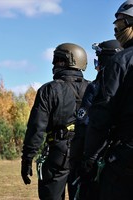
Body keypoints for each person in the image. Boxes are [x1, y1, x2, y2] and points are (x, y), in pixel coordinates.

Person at [21, 43, 89, 200]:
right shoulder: (93, 88)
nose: (53, 64)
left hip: (58, 153)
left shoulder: (49, 90)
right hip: (85, 153)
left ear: (68, 62)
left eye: (57, 59)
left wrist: (27, 157)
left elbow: (36, 127)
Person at [80, 1, 133, 200]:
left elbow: (102, 115)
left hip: (125, 157)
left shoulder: (120, 62)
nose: (116, 32)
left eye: (120, 25)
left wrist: (89, 159)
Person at [69, 40, 123, 200]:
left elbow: (85, 125)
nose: (96, 65)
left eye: (98, 59)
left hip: (98, 160)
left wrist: (82, 162)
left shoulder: (97, 86)